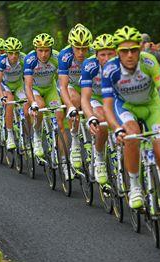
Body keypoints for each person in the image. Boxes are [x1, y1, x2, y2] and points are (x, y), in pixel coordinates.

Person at [101, 25, 160, 228]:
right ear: (118, 52)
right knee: (133, 135)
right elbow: (108, 107)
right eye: (124, 51)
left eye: (134, 50)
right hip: (126, 107)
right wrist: (117, 128)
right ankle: (135, 184)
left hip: (152, 106)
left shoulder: (149, 61)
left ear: (139, 49)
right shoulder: (110, 69)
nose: (130, 55)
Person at [80, 33, 117, 185]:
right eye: (102, 55)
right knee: (101, 118)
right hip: (96, 98)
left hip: (115, 98)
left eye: (110, 54)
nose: (107, 58)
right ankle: (99, 156)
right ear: (96, 55)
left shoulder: (121, 65)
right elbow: (85, 98)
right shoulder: (90, 66)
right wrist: (91, 117)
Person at [58, 23, 93, 169]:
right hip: (71, 85)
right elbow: (63, 86)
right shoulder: (64, 55)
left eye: (84, 48)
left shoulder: (93, 53)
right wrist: (71, 107)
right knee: (74, 100)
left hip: (87, 84)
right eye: (77, 47)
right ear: (71, 45)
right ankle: (75, 141)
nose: (81, 52)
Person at [24, 33, 61, 167]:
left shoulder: (57, 57)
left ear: (51, 49)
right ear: (35, 50)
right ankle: (37, 135)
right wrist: (32, 103)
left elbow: (62, 79)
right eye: (40, 51)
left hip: (50, 88)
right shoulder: (30, 60)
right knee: (39, 106)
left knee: (59, 116)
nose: (44, 54)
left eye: (47, 50)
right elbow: (27, 85)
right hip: (35, 89)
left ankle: (62, 157)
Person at [0, 37, 27, 151]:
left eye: (16, 53)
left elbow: (28, 77)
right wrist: (1, 96)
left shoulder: (23, 58)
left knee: (26, 104)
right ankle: (10, 136)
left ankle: (27, 133)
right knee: (9, 102)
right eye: (10, 53)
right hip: (6, 85)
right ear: (6, 52)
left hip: (18, 85)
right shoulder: (2, 60)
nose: (13, 56)